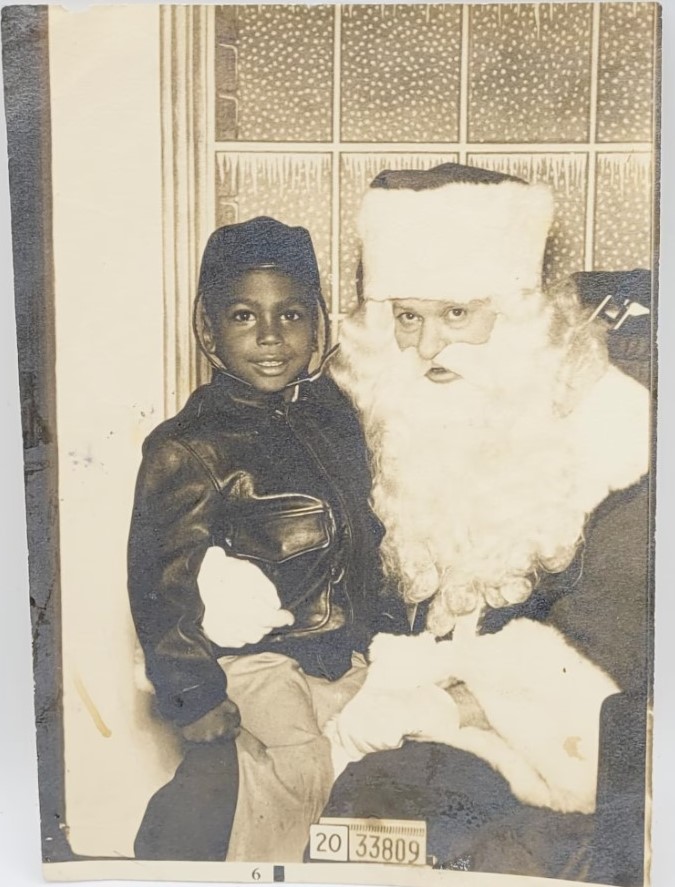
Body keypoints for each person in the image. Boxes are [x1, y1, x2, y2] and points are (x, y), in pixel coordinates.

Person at [322, 164, 651, 883]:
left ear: (514, 318)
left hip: (544, 766)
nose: (430, 345)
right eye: (407, 316)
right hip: (411, 738)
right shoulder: (384, 434)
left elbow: (615, 675)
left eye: (456, 314)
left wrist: (451, 703)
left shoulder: (612, 447)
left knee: (390, 810)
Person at [127, 217, 407, 862]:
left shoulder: (334, 418)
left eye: (292, 316)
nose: (272, 337)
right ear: (208, 331)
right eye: (245, 317)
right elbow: (157, 582)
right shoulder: (186, 445)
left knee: (383, 779)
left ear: (319, 328)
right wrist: (191, 695)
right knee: (299, 770)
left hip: (338, 657)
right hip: (256, 663)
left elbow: (365, 541)